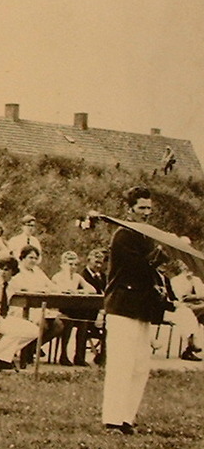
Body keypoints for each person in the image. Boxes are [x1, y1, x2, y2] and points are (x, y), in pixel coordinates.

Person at [102, 186, 171, 434]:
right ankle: (112, 419)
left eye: (149, 208)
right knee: (121, 363)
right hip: (122, 306)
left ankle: (126, 418)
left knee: (139, 366)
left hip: (141, 307)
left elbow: (150, 273)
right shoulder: (123, 235)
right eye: (141, 208)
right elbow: (138, 268)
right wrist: (162, 254)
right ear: (129, 209)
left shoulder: (145, 236)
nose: (146, 212)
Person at [0, 257, 41, 369]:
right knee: (13, 331)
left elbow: (26, 288)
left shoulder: (13, 283)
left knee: (33, 331)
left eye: (6, 270)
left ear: (13, 271)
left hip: (3, 316)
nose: (2, 273)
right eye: (0, 269)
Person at [8, 244, 65, 362]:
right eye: (30, 257)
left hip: (39, 307)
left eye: (35, 258)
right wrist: (39, 290)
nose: (33, 261)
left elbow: (51, 286)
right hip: (20, 307)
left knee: (59, 325)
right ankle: (26, 353)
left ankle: (33, 348)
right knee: (42, 324)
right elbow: (20, 288)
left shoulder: (38, 271)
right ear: (22, 258)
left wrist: (59, 289)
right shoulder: (17, 271)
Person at [51, 251, 98, 366]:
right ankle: (63, 355)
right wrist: (67, 273)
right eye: (70, 264)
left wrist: (79, 291)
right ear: (63, 265)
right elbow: (64, 289)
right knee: (68, 321)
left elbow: (92, 290)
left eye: (75, 265)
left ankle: (79, 357)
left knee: (83, 322)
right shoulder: (57, 277)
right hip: (58, 309)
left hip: (72, 309)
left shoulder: (77, 277)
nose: (73, 267)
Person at [79, 248, 108, 366]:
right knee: (84, 323)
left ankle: (103, 357)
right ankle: (80, 357)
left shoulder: (102, 276)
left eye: (100, 263)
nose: (98, 265)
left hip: (101, 311)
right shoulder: (83, 276)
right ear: (88, 260)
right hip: (86, 311)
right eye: (96, 262)